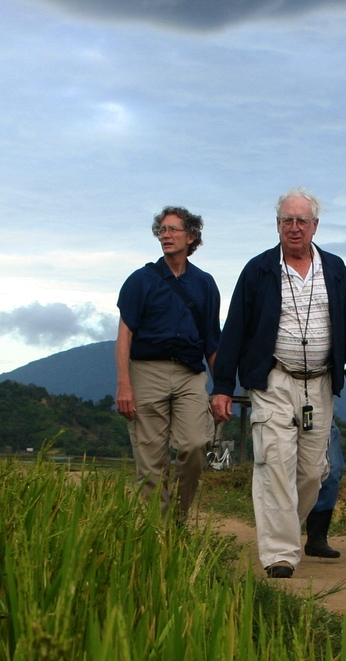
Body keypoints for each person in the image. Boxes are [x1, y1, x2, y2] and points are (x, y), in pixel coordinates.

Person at [212, 188, 346, 578]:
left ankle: (284, 528)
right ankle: (280, 555)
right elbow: (234, 329)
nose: (294, 228)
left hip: (319, 384)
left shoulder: (335, 270)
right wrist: (222, 386)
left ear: (315, 226)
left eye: (302, 221)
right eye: (287, 220)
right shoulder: (258, 270)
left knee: (310, 472)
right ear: (277, 225)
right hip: (272, 380)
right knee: (274, 464)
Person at [114, 205, 221, 518]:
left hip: (191, 373)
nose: (166, 234)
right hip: (147, 371)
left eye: (174, 229)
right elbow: (125, 336)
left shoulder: (204, 284)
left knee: (196, 445)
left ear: (191, 236)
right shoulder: (140, 280)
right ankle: (155, 536)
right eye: (162, 229)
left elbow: (213, 341)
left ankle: (179, 514)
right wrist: (124, 384)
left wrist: (222, 390)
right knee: (150, 460)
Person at [304, 421, 345, 559]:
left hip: (322, 415)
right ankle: (279, 542)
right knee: (284, 471)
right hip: (283, 411)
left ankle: (317, 538)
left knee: (332, 469)